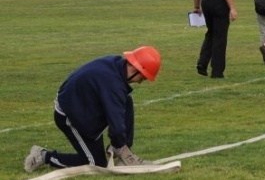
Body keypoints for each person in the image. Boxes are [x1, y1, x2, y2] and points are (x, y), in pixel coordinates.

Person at [23, 46, 161, 172]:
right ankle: (43, 156)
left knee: (126, 101)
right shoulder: (113, 84)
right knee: (95, 163)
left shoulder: (116, 64)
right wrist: (118, 144)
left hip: (86, 110)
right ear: (135, 69)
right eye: (143, 77)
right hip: (69, 116)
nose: (140, 82)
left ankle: (123, 154)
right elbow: (116, 123)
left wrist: (120, 146)